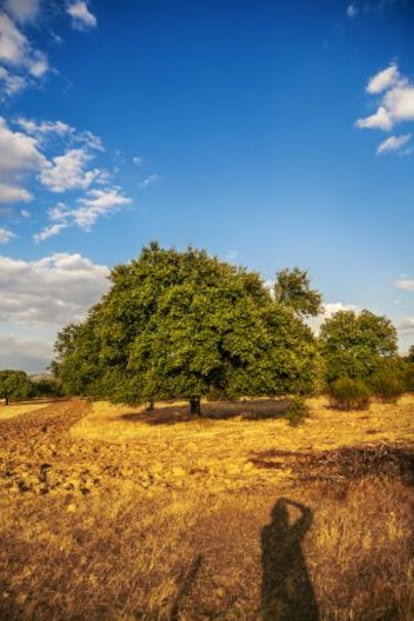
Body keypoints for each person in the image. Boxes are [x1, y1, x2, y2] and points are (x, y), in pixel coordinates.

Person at [261, 498, 319, 620]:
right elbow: (308, 514)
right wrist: (291, 501)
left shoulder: (267, 536)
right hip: (291, 592)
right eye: (285, 516)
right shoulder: (289, 536)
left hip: (276, 592)